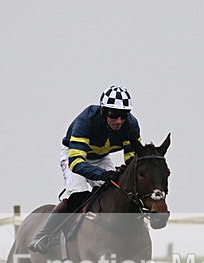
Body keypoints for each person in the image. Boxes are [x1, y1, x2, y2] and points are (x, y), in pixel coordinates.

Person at [28, 85, 142, 254]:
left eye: (123, 115)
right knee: (78, 194)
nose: (119, 120)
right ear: (103, 112)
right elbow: (76, 163)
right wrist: (103, 175)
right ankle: (43, 236)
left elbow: (132, 159)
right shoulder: (87, 120)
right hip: (74, 156)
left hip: (102, 158)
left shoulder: (131, 124)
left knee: (114, 191)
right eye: (113, 115)